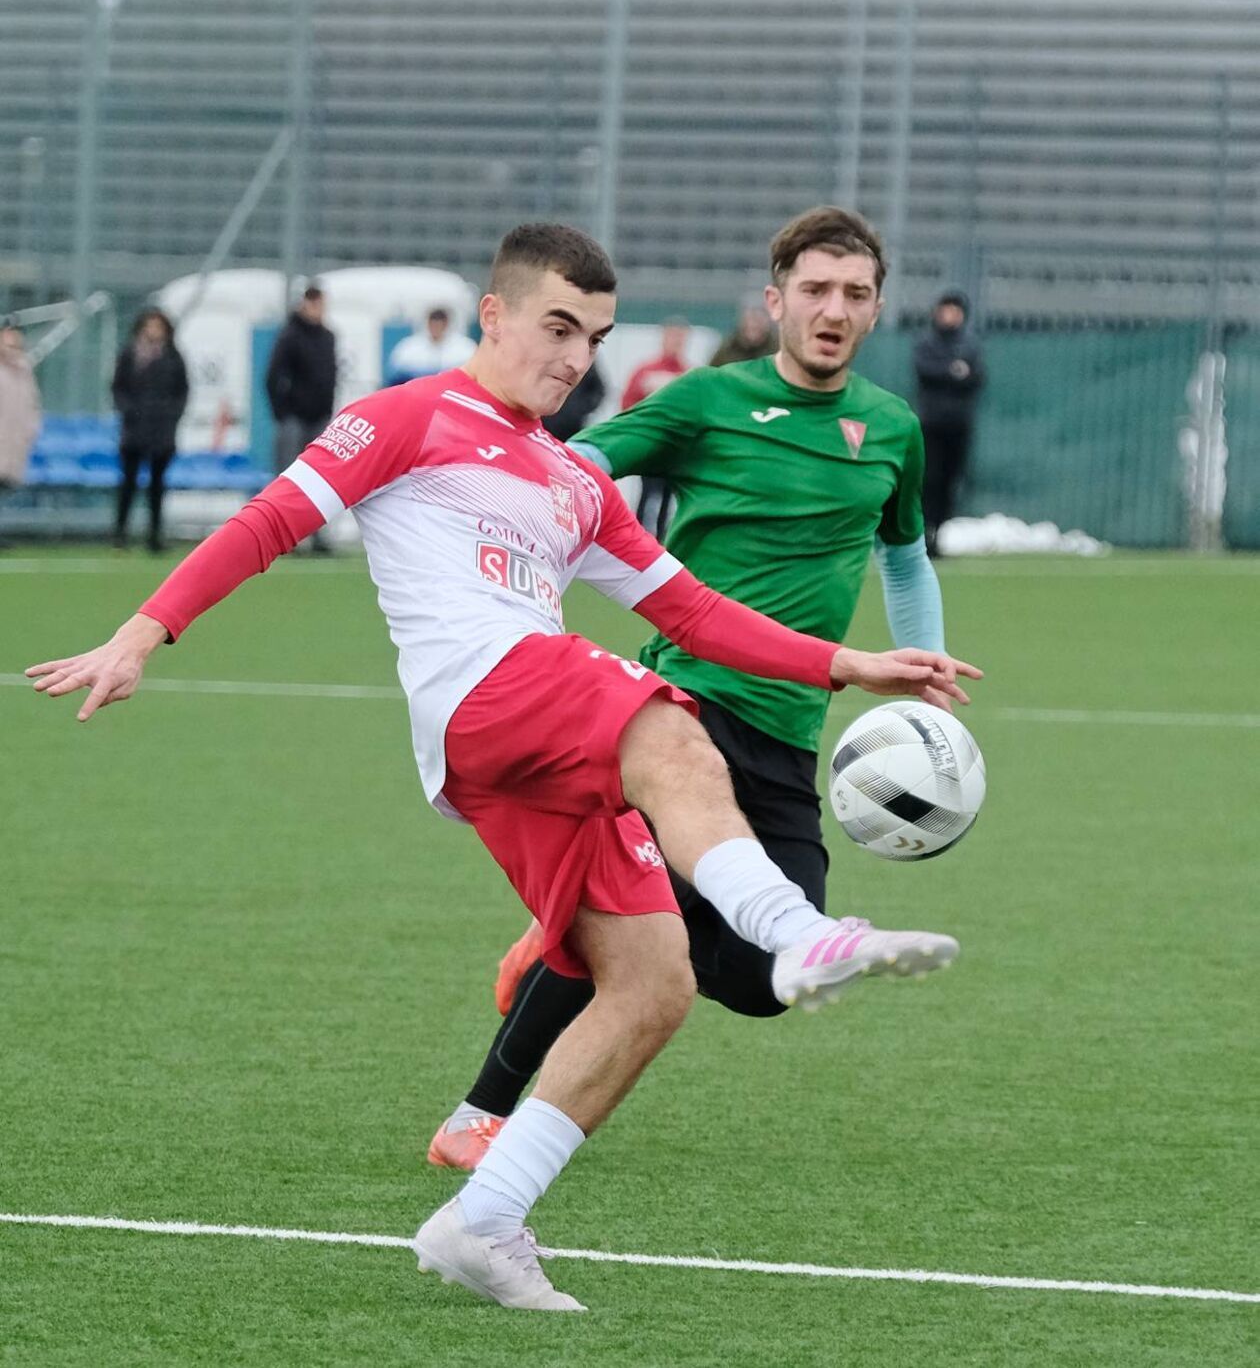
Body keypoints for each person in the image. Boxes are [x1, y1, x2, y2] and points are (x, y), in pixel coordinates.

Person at [27, 223, 979, 1314]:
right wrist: (145, 631)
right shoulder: (408, 416)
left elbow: (691, 609)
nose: (576, 359)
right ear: (495, 315)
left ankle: (482, 1220)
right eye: (558, 328)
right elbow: (270, 520)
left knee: (653, 984)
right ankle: (803, 936)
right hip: (485, 693)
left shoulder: (574, 480)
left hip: (524, 744)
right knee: (667, 726)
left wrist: (847, 662)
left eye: (596, 339)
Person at [428, 205, 956, 1172]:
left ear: (877, 309)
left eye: (854, 293)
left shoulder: (890, 428)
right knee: (636, 922)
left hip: (793, 723)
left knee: (765, 983)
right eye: (814, 290)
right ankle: (476, 1115)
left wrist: (920, 688)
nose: (832, 309)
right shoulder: (708, 400)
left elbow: (907, 556)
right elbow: (574, 462)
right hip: (682, 705)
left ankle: (563, 931)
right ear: (775, 300)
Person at [265, 284, 337, 553]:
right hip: (294, 417)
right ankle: (283, 537)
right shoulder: (290, 336)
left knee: (320, 482)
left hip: (319, 418)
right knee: (288, 480)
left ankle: (318, 537)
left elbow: (330, 376)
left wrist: (327, 409)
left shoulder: (328, 337)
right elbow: (273, 377)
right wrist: (283, 413)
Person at [914, 290, 986, 556]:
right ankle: (923, 533)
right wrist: (953, 371)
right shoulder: (927, 343)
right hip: (931, 425)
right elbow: (927, 371)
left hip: (959, 424)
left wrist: (956, 374)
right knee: (928, 480)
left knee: (950, 480)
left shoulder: (970, 345)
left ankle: (938, 533)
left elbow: (976, 377)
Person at [111, 309, 189, 553]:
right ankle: (120, 534)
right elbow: (117, 388)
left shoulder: (174, 357)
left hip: (161, 431)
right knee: (128, 484)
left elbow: (182, 391)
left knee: (157, 486)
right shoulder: (130, 354)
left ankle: (154, 536)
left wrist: (170, 416)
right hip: (134, 430)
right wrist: (129, 412)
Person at [620, 318, 690, 539]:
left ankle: (660, 541)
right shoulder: (646, 371)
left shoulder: (688, 375)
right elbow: (627, 403)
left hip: (674, 448)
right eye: (672, 336)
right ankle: (637, 537)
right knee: (647, 493)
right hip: (649, 444)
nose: (675, 342)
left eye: (679, 338)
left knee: (668, 496)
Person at [0, 321, 41, 542]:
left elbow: (31, 403)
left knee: (4, 486)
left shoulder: (24, 369)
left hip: (14, 438)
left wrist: (31, 429)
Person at [387, 306, 477, 384]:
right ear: (428, 323)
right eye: (433, 325)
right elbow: (396, 378)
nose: (436, 329)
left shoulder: (465, 349)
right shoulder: (408, 348)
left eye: (439, 325)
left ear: (446, 325)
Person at [543, 358, 606, 442]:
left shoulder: (583, 359)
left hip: (572, 429)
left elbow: (598, 390)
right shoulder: (545, 356)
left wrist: (579, 410)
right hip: (546, 427)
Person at [710, 299, 774, 366]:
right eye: (749, 320)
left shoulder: (777, 350)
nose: (753, 324)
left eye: (759, 321)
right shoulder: (728, 349)